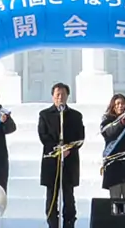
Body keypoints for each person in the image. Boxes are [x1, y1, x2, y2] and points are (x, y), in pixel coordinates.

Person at [37, 82, 85, 228]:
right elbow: (43, 136)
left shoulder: (76, 116)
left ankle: (69, 223)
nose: (60, 97)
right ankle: (52, 224)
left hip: (69, 161)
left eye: (63, 94)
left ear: (67, 96)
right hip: (52, 161)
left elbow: (80, 137)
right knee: (52, 195)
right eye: (57, 94)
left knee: (69, 196)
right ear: (53, 96)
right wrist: (57, 149)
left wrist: (69, 149)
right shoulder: (44, 115)